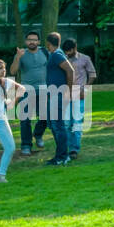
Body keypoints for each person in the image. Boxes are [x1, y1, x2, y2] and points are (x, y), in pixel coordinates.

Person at [9, 30, 49, 155]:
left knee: (45, 117)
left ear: (39, 41)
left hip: (43, 90)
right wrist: (17, 58)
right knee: (25, 119)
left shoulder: (45, 52)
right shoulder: (21, 53)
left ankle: (37, 134)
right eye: (29, 39)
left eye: (34, 39)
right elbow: (13, 71)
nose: (32, 42)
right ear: (26, 41)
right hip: (26, 90)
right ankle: (26, 145)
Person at [43, 32, 74, 166]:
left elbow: (70, 70)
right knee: (53, 125)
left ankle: (62, 156)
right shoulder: (56, 54)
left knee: (58, 126)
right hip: (53, 95)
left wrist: (68, 91)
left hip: (59, 95)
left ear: (48, 43)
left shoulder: (57, 55)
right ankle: (60, 155)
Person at [62, 38, 96, 159]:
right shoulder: (63, 58)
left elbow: (92, 74)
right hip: (66, 93)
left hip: (79, 92)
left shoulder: (85, 58)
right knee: (66, 123)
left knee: (76, 122)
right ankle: (65, 148)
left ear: (75, 48)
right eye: (65, 51)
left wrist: (85, 89)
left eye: (69, 51)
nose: (67, 53)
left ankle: (74, 149)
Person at [0, 59, 20, 182]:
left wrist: (12, 102)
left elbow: (21, 89)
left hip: (0, 119)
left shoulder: (6, 82)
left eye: (4, 68)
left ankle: (1, 176)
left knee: (10, 147)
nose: (4, 70)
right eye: (0, 68)